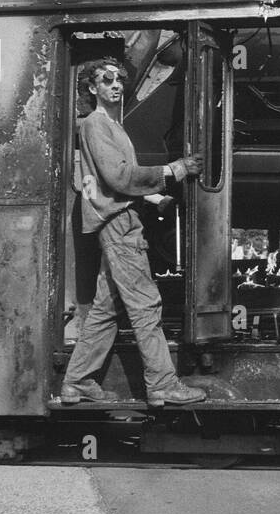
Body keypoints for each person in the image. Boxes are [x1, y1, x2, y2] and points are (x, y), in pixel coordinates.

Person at [59, 57, 206, 406]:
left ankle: (77, 382)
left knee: (106, 307)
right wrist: (173, 170)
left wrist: (155, 198)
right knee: (145, 304)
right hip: (120, 226)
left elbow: (117, 180)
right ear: (92, 88)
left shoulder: (111, 125)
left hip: (119, 220)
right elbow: (119, 178)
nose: (115, 85)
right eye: (106, 80)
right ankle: (162, 385)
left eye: (119, 79)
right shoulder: (97, 125)